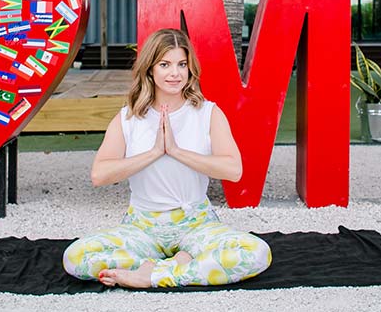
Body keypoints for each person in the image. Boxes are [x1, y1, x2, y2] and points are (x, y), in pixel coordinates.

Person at [63, 28, 272, 289]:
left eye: (182, 64)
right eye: (165, 64)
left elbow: (233, 170)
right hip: (142, 226)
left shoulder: (208, 113)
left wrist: (176, 151)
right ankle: (182, 263)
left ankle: (151, 273)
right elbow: (100, 175)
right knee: (75, 258)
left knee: (257, 253)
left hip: (195, 224)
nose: (175, 73)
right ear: (150, 68)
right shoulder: (128, 118)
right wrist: (153, 153)